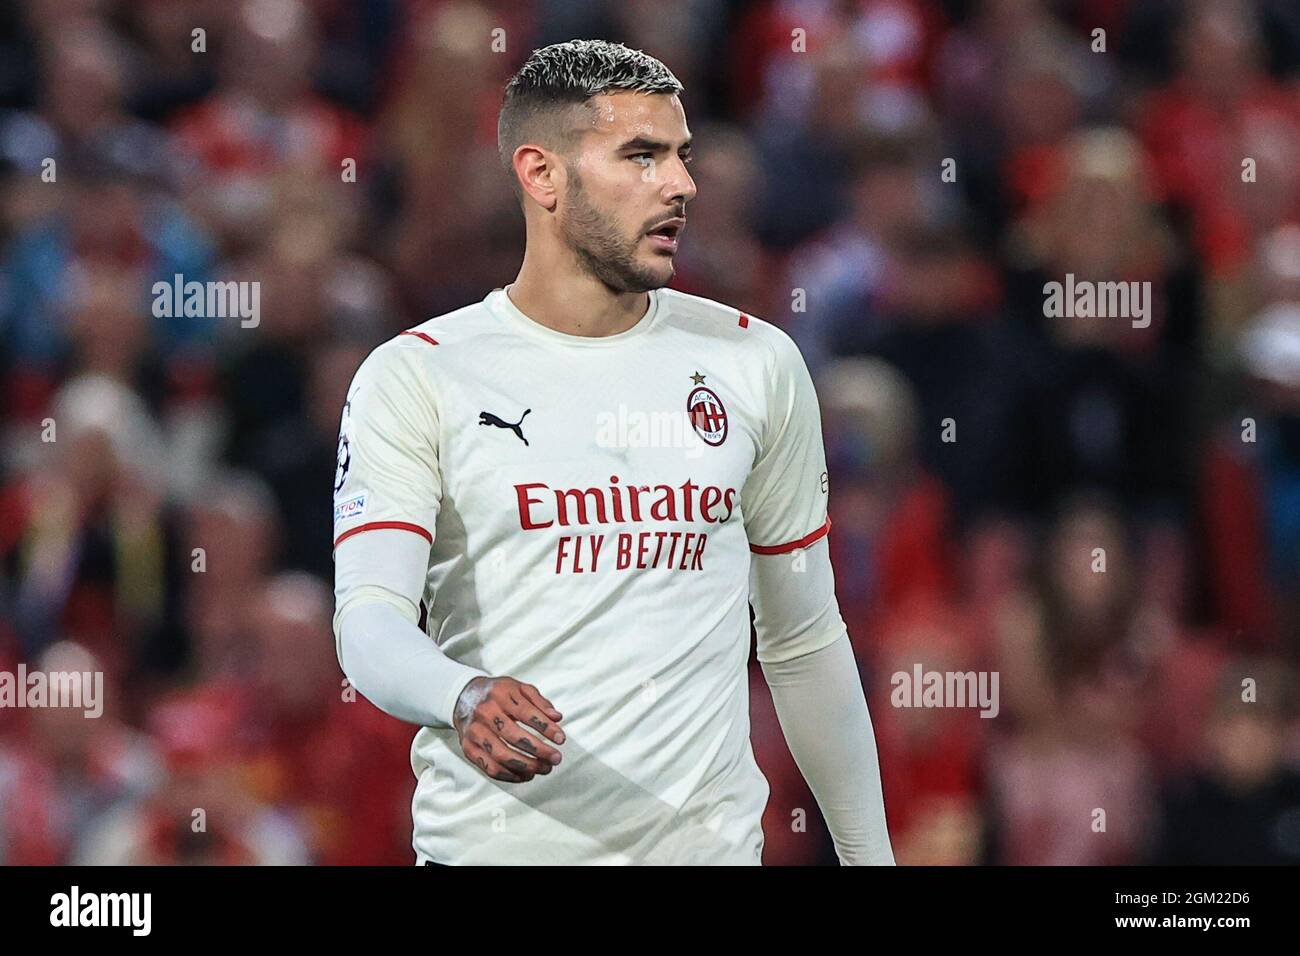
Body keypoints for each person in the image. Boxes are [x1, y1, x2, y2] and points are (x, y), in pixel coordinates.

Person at [330, 39, 894, 866]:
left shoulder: (755, 364)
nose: (682, 185)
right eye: (641, 156)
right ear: (541, 174)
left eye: (682, 156)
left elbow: (804, 641)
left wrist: (868, 857)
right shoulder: (418, 375)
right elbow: (370, 624)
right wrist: (463, 693)